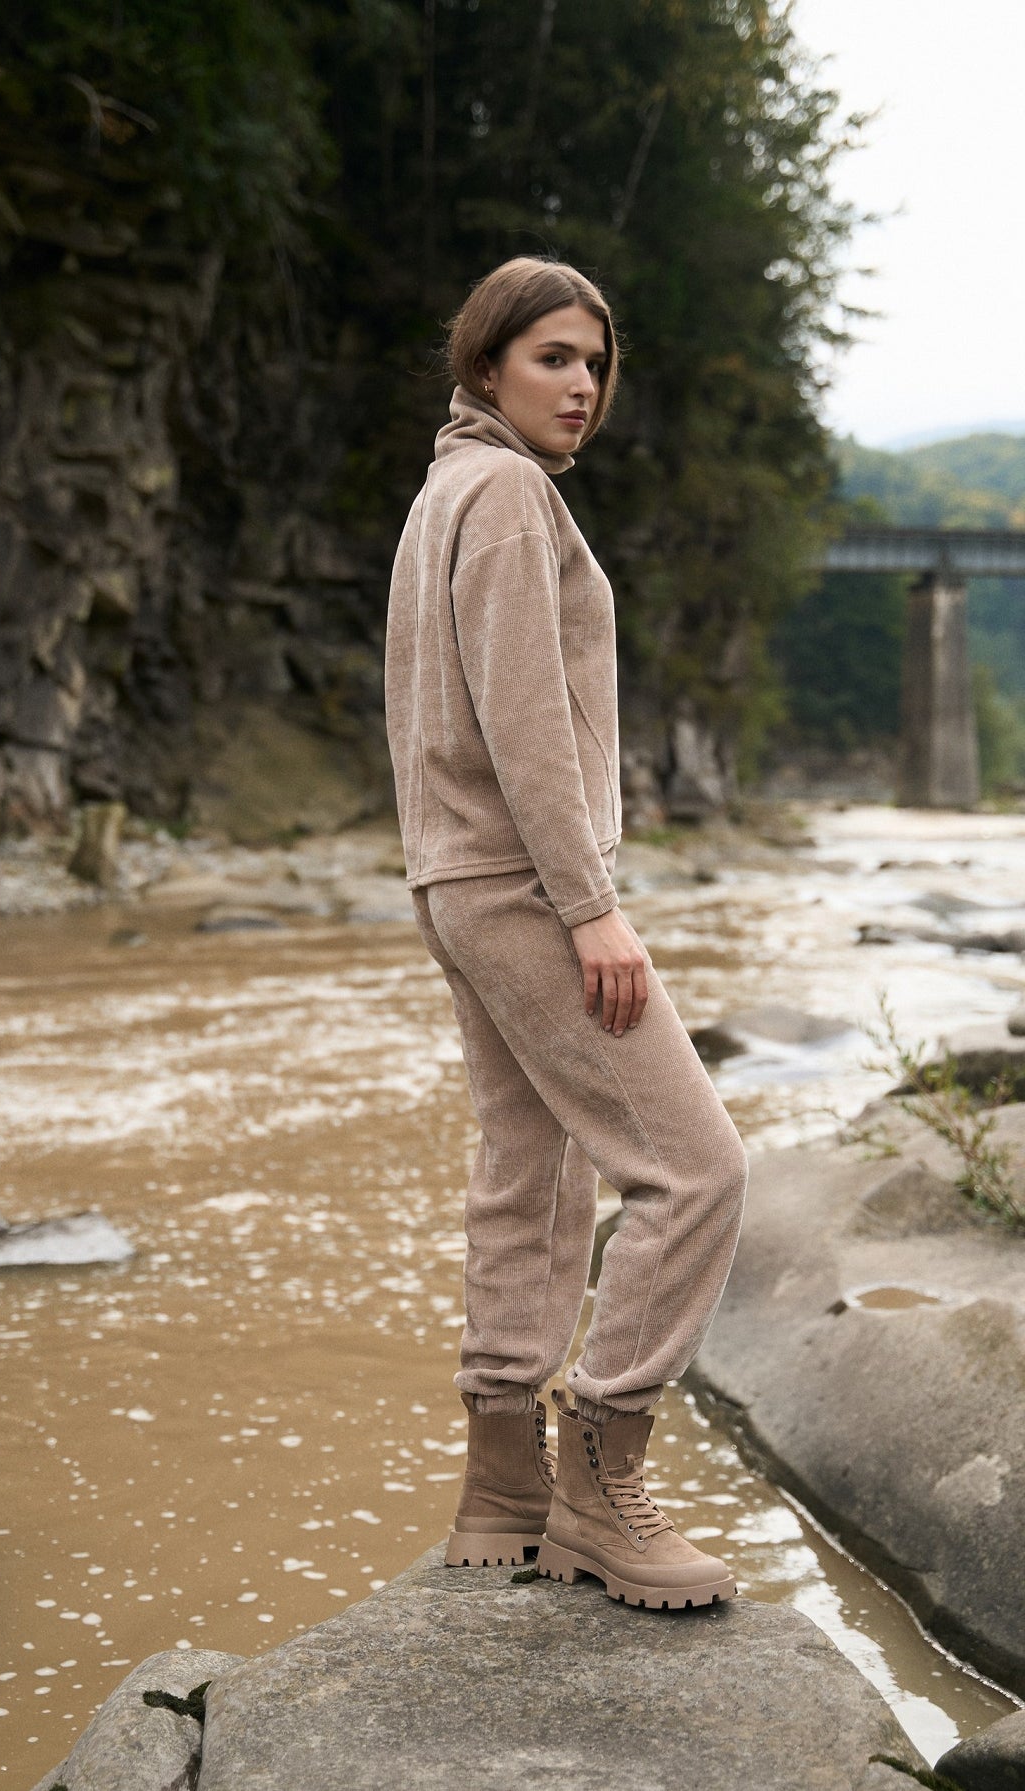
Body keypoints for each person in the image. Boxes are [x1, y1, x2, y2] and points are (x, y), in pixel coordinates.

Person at [384, 257, 749, 1611]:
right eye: (552, 357)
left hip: (459, 878)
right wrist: (592, 908)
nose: (583, 383)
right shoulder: (506, 494)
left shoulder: (445, 490)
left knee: (531, 1170)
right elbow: (526, 719)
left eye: (595, 361)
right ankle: (603, 1478)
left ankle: (503, 1488)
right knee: (697, 1170)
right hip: (524, 886)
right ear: (483, 367)